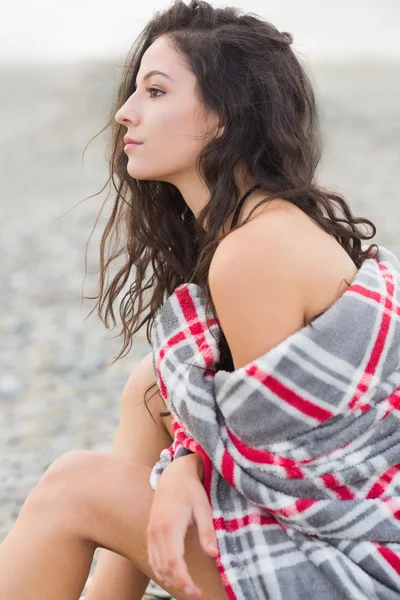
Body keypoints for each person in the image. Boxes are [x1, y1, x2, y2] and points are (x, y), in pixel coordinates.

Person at [0, 1, 379, 599]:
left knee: (75, 486)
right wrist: (180, 463)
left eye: (155, 91)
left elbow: (272, 477)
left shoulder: (254, 254)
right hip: (350, 541)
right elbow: (250, 428)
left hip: (351, 571)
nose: (125, 112)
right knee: (151, 386)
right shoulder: (256, 228)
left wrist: (180, 468)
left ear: (225, 117)